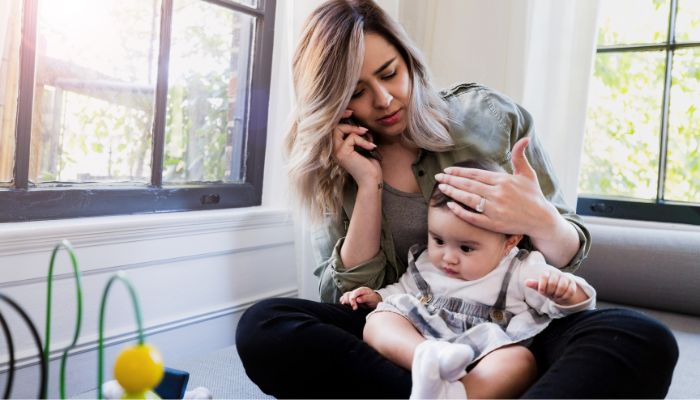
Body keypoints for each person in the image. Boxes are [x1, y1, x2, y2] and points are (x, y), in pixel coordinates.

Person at [236, 0, 678, 398]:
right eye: (356, 92)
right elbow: (348, 300)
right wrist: (367, 187)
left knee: (640, 337)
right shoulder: (336, 167)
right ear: (331, 101)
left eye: (389, 73)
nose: (385, 99)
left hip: (511, 331)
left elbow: (567, 257)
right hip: (408, 333)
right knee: (265, 327)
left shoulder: (488, 117)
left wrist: (538, 218)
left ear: (408, 60)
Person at [339, 160, 596, 399]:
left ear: (510, 241)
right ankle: (425, 359)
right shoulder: (427, 261)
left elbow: (578, 305)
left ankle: (459, 395)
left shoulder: (520, 268)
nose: (448, 257)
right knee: (379, 320)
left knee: (520, 361)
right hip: (424, 339)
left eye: (466, 248)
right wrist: (378, 297)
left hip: (484, 353)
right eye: (438, 240)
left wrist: (566, 292)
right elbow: (403, 291)